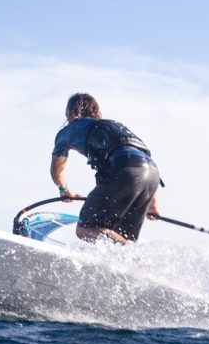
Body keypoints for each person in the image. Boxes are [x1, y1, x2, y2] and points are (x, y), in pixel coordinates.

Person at [50, 93, 162, 244]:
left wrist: (64, 189)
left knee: (86, 229)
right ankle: (137, 264)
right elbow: (145, 163)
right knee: (119, 235)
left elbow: (57, 171)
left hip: (125, 170)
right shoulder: (116, 127)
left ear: (70, 113)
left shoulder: (68, 131)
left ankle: (136, 256)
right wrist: (152, 205)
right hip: (151, 176)